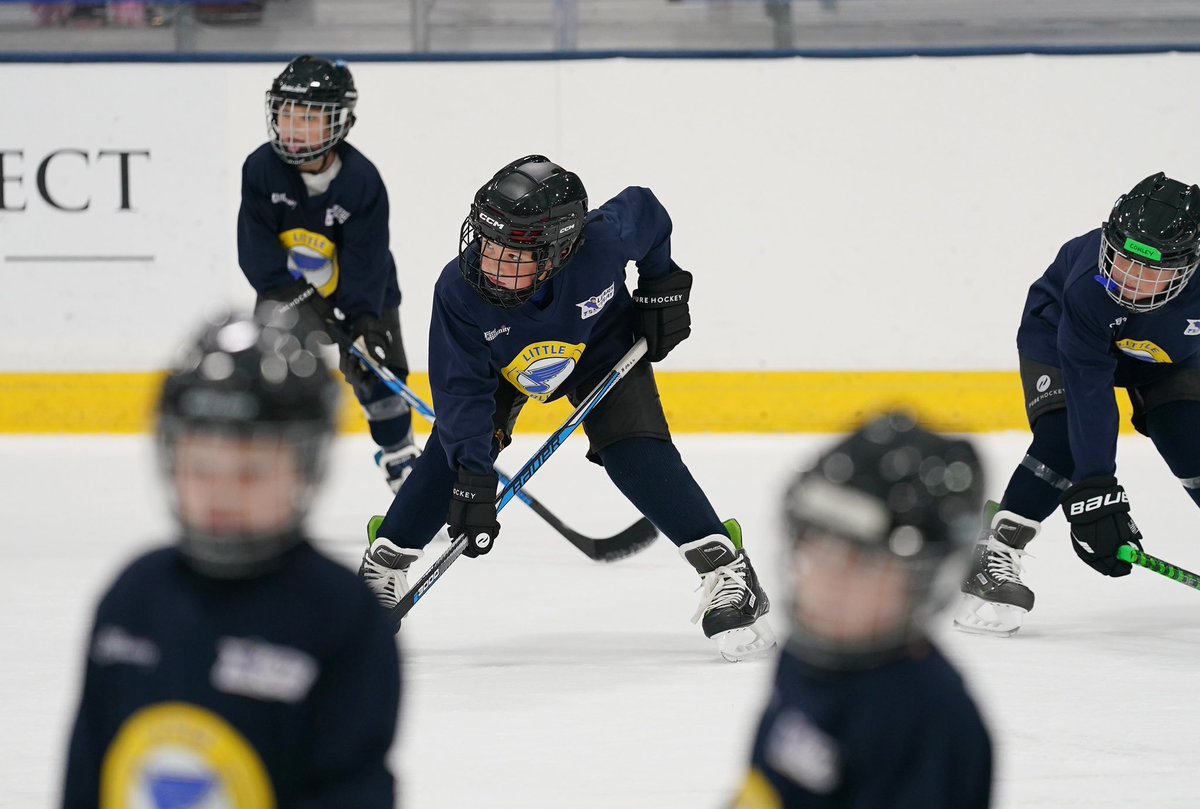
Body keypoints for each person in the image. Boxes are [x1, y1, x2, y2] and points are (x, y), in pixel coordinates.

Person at [357, 154, 774, 661]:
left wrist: (661, 284)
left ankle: (726, 568)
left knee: (634, 453)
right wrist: (472, 471)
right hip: (500, 367)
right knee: (450, 454)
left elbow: (647, 210)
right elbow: (461, 393)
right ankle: (387, 561)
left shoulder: (599, 244)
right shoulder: (459, 290)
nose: (491, 264)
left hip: (601, 346)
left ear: (557, 251)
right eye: (487, 245)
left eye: (512, 256)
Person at [59, 307, 402, 808]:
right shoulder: (134, 597)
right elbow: (89, 775)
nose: (221, 494)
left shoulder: (340, 617)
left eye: (250, 472)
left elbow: (353, 790)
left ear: (305, 467)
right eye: (201, 467)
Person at [955, 171, 1200, 636]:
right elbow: (1090, 394)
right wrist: (1095, 489)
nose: (1127, 278)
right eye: (1123, 259)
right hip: (1062, 338)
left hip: (1169, 355)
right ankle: (994, 551)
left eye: (1151, 270)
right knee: (1063, 440)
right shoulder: (1090, 285)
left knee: (1190, 438)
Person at [734, 412, 992, 808]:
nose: (827, 585)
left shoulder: (932, 720)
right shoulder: (801, 657)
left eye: (863, 566)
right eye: (816, 551)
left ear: (921, 582)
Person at [237, 54, 419, 494]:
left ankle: (400, 458)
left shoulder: (361, 181)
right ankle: (272, 462)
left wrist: (366, 323)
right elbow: (258, 256)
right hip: (285, 293)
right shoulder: (261, 169)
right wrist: (298, 302)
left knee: (377, 370)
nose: (295, 127)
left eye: (309, 117)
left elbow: (368, 259)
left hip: (365, 289)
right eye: (287, 114)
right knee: (274, 372)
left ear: (340, 123)